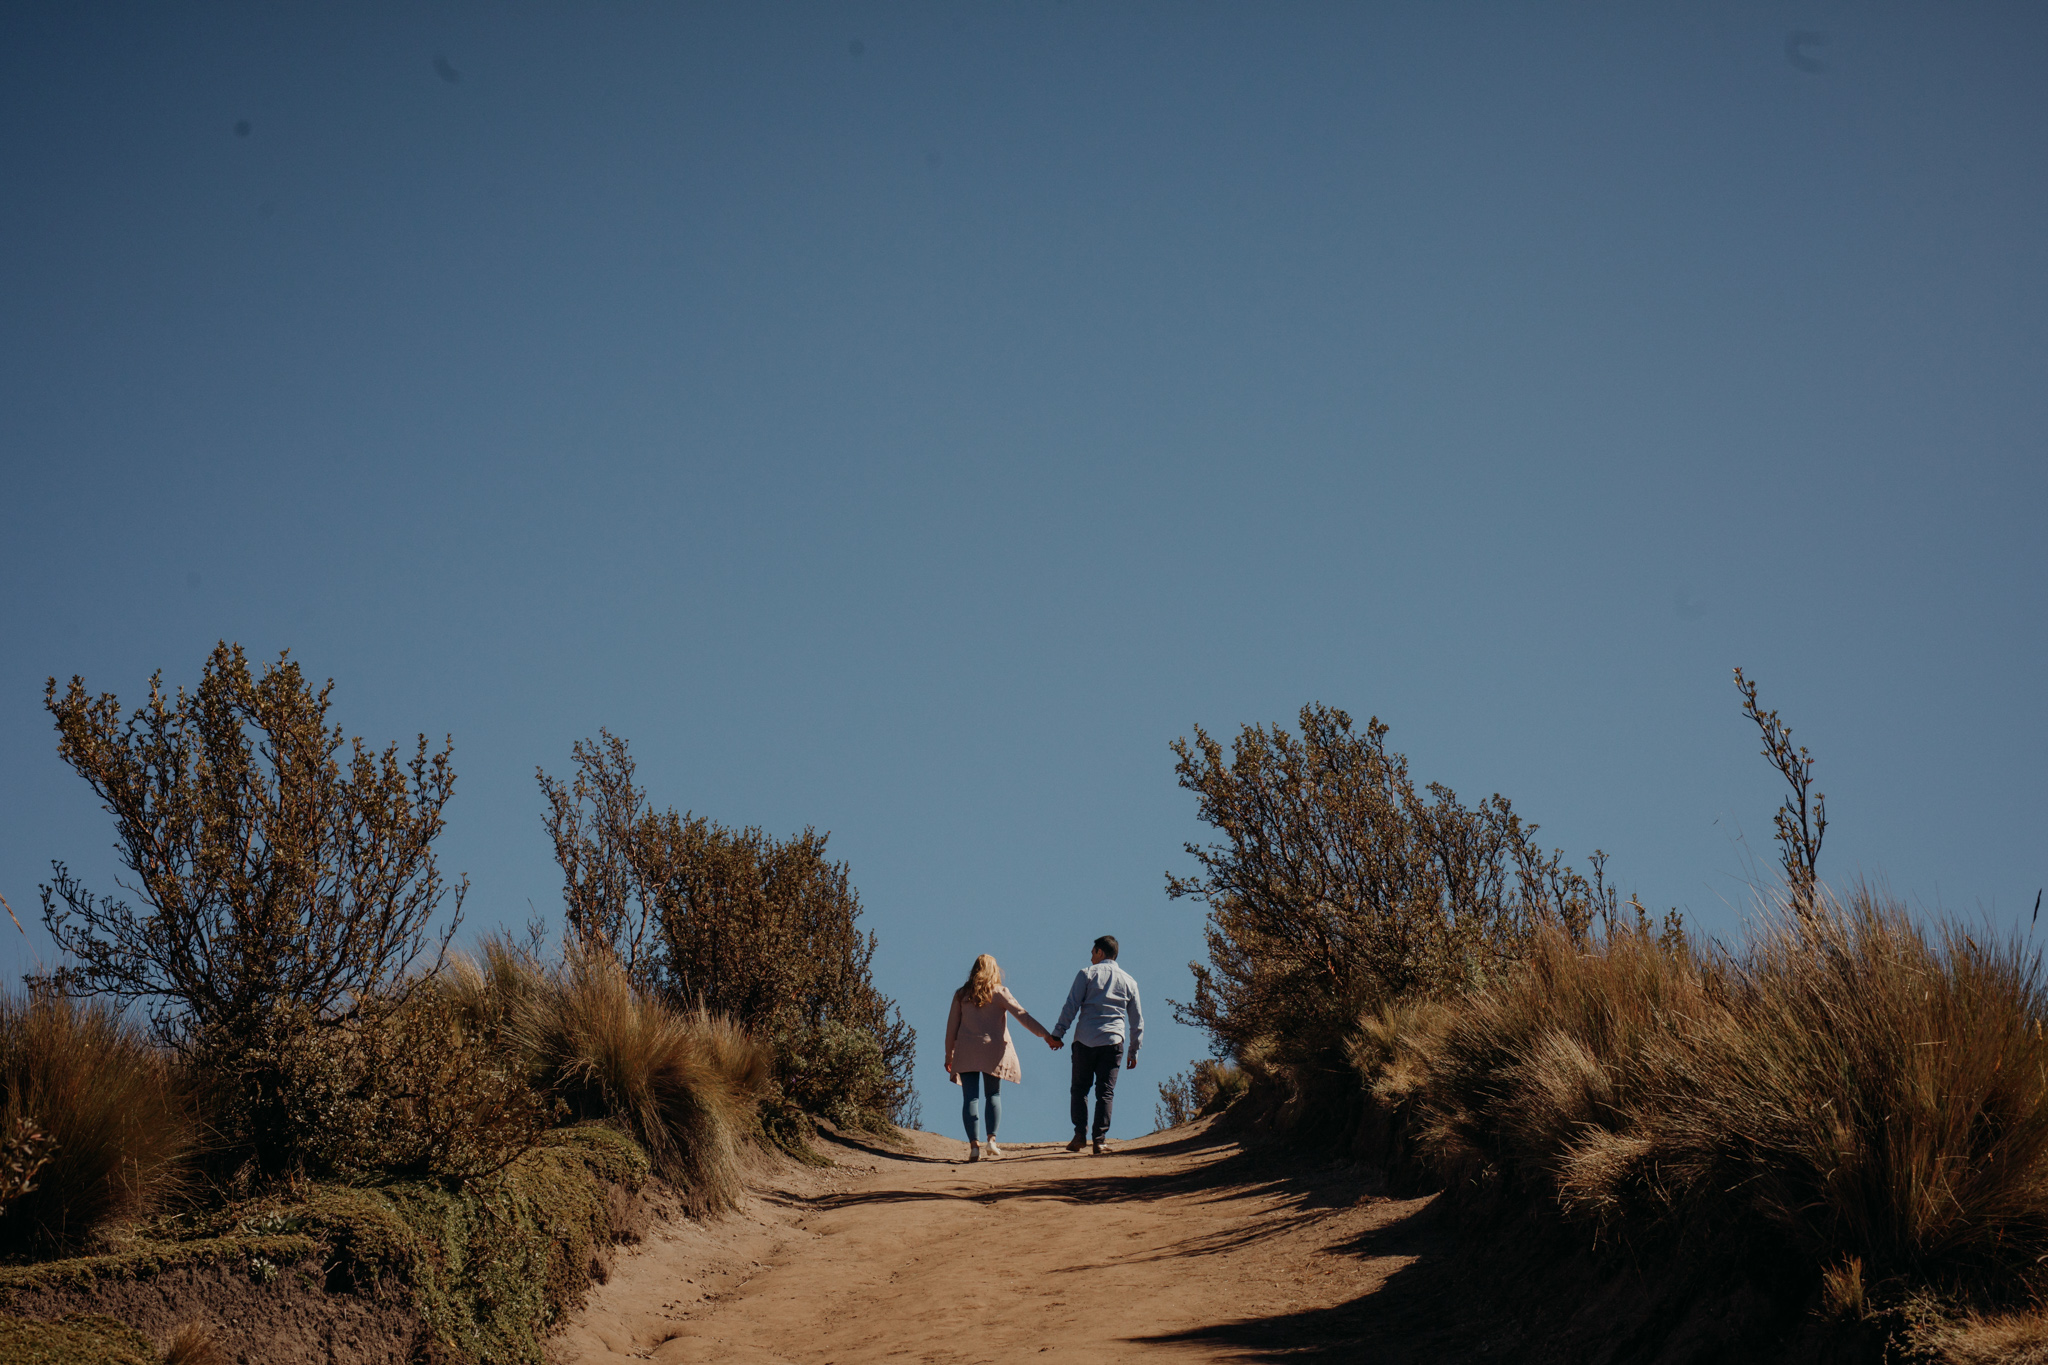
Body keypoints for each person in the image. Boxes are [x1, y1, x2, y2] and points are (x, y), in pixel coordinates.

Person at [944, 953, 1061, 1162]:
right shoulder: (999, 993)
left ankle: (973, 1146)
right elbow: (1022, 1015)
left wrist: (948, 1054)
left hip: (967, 1050)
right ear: (994, 971)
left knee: (970, 1098)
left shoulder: (961, 995)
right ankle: (991, 1141)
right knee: (993, 1095)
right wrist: (1046, 1035)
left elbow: (951, 1027)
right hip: (993, 1051)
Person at [1051, 935, 1142, 1155]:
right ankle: (1099, 1140)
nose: (1091, 957)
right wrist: (1134, 1050)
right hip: (1113, 1042)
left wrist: (1058, 1033)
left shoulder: (1086, 974)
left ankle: (1079, 1134)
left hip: (1085, 1040)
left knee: (1080, 1089)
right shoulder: (1130, 981)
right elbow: (1136, 1020)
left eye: (1093, 952)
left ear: (1100, 952)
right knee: (1105, 1092)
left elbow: (1071, 1006)